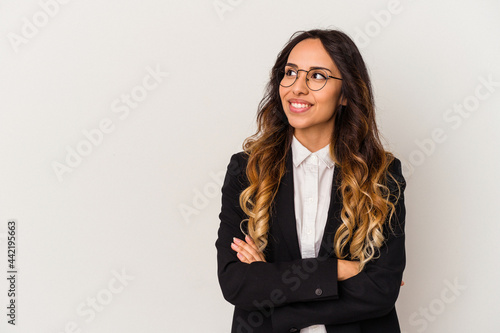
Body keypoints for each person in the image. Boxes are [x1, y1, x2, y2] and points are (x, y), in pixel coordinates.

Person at [215, 28, 407, 333]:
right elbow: (237, 282)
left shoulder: (381, 174)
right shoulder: (246, 170)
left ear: (346, 93)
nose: (297, 88)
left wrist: (275, 296)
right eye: (290, 73)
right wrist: (337, 271)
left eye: (317, 76)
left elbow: (380, 290)